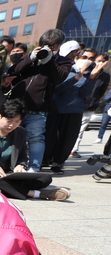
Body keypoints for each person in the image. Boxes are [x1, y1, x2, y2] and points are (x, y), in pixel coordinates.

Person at [0, 99, 69, 200]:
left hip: (8, 174)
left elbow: (22, 156)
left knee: (46, 178)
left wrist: (20, 165)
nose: (12, 125)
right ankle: (36, 194)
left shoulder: (20, 132)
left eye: (17, 121)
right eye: (9, 121)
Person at [9, 29, 71, 172]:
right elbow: (13, 71)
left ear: (59, 46)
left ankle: (33, 169)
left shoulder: (63, 61)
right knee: (9, 136)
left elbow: (59, 78)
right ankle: (10, 166)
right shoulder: (30, 58)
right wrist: (30, 57)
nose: (48, 48)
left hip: (38, 108)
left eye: (52, 45)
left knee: (36, 138)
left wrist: (49, 60)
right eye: (45, 45)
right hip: (15, 105)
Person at [44, 48, 100, 173]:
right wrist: (76, 77)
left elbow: (85, 93)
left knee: (68, 138)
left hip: (75, 110)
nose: (87, 61)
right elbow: (57, 89)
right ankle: (45, 159)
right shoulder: (65, 70)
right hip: (56, 108)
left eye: (91, 59)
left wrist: (91, 78)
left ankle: (58, 162)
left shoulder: (89, 74)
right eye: (85, 57)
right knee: (50, 136)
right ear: (77, 58)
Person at [73, 53, 109, 156]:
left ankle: (74, 149)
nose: (100, 63)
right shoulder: (85, 70)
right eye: (99, 60)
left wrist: (95, 101)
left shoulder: (105, 76)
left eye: (103, 61)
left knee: (81, 129)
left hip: (90, 105)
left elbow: (101, 91)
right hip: (78, 102)